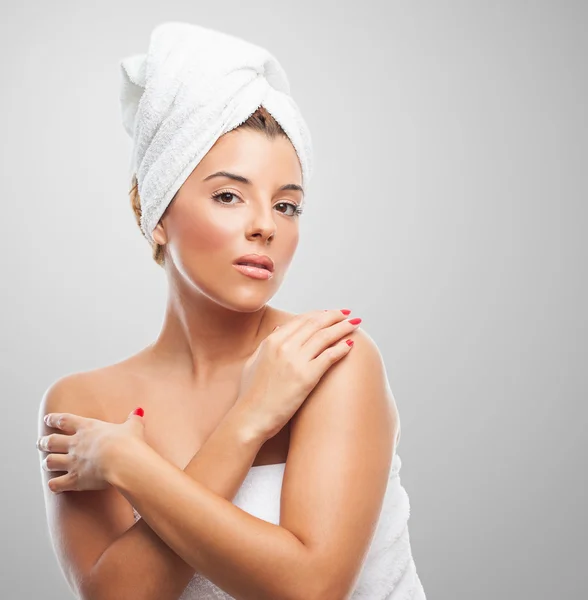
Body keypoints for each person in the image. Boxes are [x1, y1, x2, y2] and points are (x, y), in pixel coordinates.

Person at [36, 22, 426, 600]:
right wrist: (248, 423)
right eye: (228, 195)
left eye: (287, 205)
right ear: (157, 212)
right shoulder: (85, 404)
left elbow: (311, 589)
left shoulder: (329, 359)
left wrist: (131, 465)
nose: (265, 225)